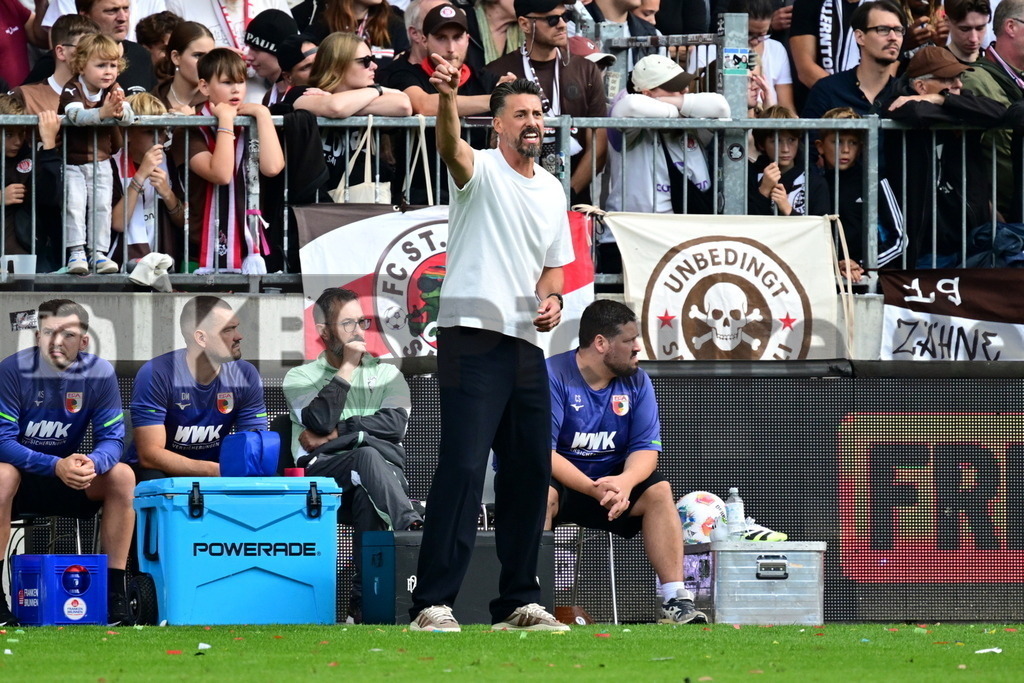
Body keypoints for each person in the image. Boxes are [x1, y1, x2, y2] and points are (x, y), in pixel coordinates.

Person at [407, 62, 573, 632]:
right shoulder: (477, 170)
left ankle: (518, 603)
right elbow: (449, 143)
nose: (532, 123)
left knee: (529, 472)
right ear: (497, 127)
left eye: (538, 114)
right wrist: (449, 96)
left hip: (527, 344)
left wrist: (552, 302)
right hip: (470, 337)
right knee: (462, 465)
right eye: (520, 115)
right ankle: (432, 602)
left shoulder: (553, 188)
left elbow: (553, 271)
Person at [545, 299, 708, 625]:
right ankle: (534, 601)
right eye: (629, 340)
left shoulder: (637, 381)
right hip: (564, 485)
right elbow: (541, 454)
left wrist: (625, 482)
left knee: (659, 491)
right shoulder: (551, 375)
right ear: (601, 343)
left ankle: (676, 601)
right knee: (539, 492)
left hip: (613, 490)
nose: (638, 348)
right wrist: (594, 489)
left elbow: (646, 449)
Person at [283, 287, 423, 624]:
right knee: (366, 457)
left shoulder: (389, 374)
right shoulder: (299, 377)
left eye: (361, 321)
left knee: (367, 484)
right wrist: (346, 368)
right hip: (322, 480)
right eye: (348, 324)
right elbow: (317, 419)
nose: (359, 330)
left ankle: (361, 606)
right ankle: (412, 528)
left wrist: (342, 432)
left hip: (380, 480)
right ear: (324, 331)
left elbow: (395, 426)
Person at [0, 299, 134, 627]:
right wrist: (55, 465)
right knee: (1, 475)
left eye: (68, 334)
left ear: (84, 341)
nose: (57, 342)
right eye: (48, 332)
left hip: (69, 478)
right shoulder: (12, 369)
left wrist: (91, 463)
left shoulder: (99, 373)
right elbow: (2, 442)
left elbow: (113, 440)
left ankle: (114, 593)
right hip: (21, 481)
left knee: (122, 475)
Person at [882, 46, 1005, 266]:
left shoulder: (955, 99)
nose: (958, 84)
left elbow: (998, 112)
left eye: (959, 77)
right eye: (949, 79)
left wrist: (940, 99)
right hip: (923, 249)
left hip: (969, 243)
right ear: (920, 86)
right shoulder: (899, 100)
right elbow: (917, 112)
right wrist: (962, 112)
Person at [169, 48, 285, 273]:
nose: (236, 89)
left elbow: (272, 168)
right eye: (226, 82)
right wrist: (225, 120)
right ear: (204, 86)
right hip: (199, 248)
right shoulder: (189, 129)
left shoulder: (251, 121)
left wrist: (262, 115)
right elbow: (221, 174)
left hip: (251, 247)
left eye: (241, 82)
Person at [127, 296, 268, 479]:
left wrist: (233, 468)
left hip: (217, 470)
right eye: (228, 330)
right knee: (152, 478)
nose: (238, 336)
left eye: (236, 327)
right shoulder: (157, 373)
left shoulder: (246, 375)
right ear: (201, 338)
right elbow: (150, 456)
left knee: (269, 482)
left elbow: (254, 443)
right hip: (159, 474)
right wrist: (214, 471)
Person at [485, 0, 607, 205]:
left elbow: (598, 146)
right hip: (513, 199)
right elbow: (493, 143)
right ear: (524, 24)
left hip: (573, 201)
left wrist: (567, 194)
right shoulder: (497, 71)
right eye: (551, 19)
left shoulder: (586, 70)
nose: (561, 24)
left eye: (565, 17)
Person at [382, 3, 504, 204]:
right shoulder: (405, 73)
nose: (450, 48)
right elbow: (424, 105)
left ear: (468, 38)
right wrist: (496, 100)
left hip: (477, 192)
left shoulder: (485, 79)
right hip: (421, 195)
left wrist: (510, 91)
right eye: (441, 38)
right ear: (423, 40)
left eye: (457, 37)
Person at [282, 32, 412, 202]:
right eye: (364, 61)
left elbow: (404, 105)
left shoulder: (367, 93)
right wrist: (376, 91)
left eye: (372, 59)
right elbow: (336, 108)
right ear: (337, 66)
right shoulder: (301, 93)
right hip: (314, 206)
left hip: (360, 206)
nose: (374, 66)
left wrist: (364, 97)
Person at [605, 54, 729, 225]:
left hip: (684, 230)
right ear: (646, 93)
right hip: (634, 232)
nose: (684, 91)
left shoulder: (690, 115)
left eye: (684, 84)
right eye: (674, 87)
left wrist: (670, 104)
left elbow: (721, 106)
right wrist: (675, 110)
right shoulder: (630, 120)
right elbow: (631, 105)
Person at [59, 31, 137, 275]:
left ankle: (99, 253)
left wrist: (120, 110)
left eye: (113, 65)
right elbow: (75, 116)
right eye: (101, 65)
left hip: (102, 161)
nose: (108, 71)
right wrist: (102, 114)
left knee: (102, 206)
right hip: (74, 163)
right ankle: (77, 252)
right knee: (75, 206)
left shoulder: (113, 89)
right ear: (82, 66)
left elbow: (128, 119)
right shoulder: (72, 89)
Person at [814, 107, 905, 280]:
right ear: (820, 146)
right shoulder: (814, 183)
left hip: (869, 278)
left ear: (861, 147)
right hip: (825, 276)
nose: (846, 149)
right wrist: (836, 264)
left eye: (853, 143)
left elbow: (900, 239)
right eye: (838, 142)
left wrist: (864, 265)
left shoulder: (873, 181)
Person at [959, 0, 1024, 221]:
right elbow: (960, 153)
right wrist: (985, 205)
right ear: (1011, 27)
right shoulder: (976, 79)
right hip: (1003, 216)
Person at [110, 92, 185, 267]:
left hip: (164, 264)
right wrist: (140, 175)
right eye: (149, 131)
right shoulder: (111, 165)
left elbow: (183, 220)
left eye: (161, 131)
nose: (158, 138)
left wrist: (167, 193)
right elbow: (118, 223)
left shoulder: (170, 162)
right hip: (122, 266)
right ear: (127, 133)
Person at [801, 1, 906, 119]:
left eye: (898, 30)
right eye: (882, 29)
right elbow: (810, 136)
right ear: (860, 37)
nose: (893, 37)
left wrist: (931, 97)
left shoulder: (905, 95)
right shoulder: (827, 91)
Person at [26, 0, 157, 94]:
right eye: (112, 10)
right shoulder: (60, 60)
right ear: (84, 14)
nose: (122, 17)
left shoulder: (141, 55)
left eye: (126, 8)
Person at [0, 97, 63, 272]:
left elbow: (52, 196)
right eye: (8, 134)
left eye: (21, 133)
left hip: (31, 257)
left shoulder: (32, 158)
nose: (17, 142)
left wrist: (49, 145)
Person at [748, 105, 829, 216]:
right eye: (777, 141)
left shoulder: (814, 183)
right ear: (762, 144)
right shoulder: (749, 177)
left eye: (792, 140)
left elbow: (820, 229)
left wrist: (788, 210)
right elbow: (744, 226)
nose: (785, 149)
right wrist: (764, 190)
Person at [13, 14, 100, 115]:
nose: (93, 54)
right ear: (61, 52)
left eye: (97, 49)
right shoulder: (24, 97)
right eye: (84, 48)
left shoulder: (108, 98)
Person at [290, 0, 410, 66]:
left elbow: (403, 73)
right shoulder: (322, 27)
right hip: (339, 102)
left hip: (384, 102)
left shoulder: (395, 23)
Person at [152, 21, 216, 114]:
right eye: (198, 55)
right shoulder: (151, 100)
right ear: (176, 57)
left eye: (210, 56)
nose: (206, 62)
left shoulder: (219, 101)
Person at [244, 8, 299, 107]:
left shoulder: (304, 91)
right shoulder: (269, 95)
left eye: (256, 49)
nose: (248, 56)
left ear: (279, 51)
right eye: (249, 47)